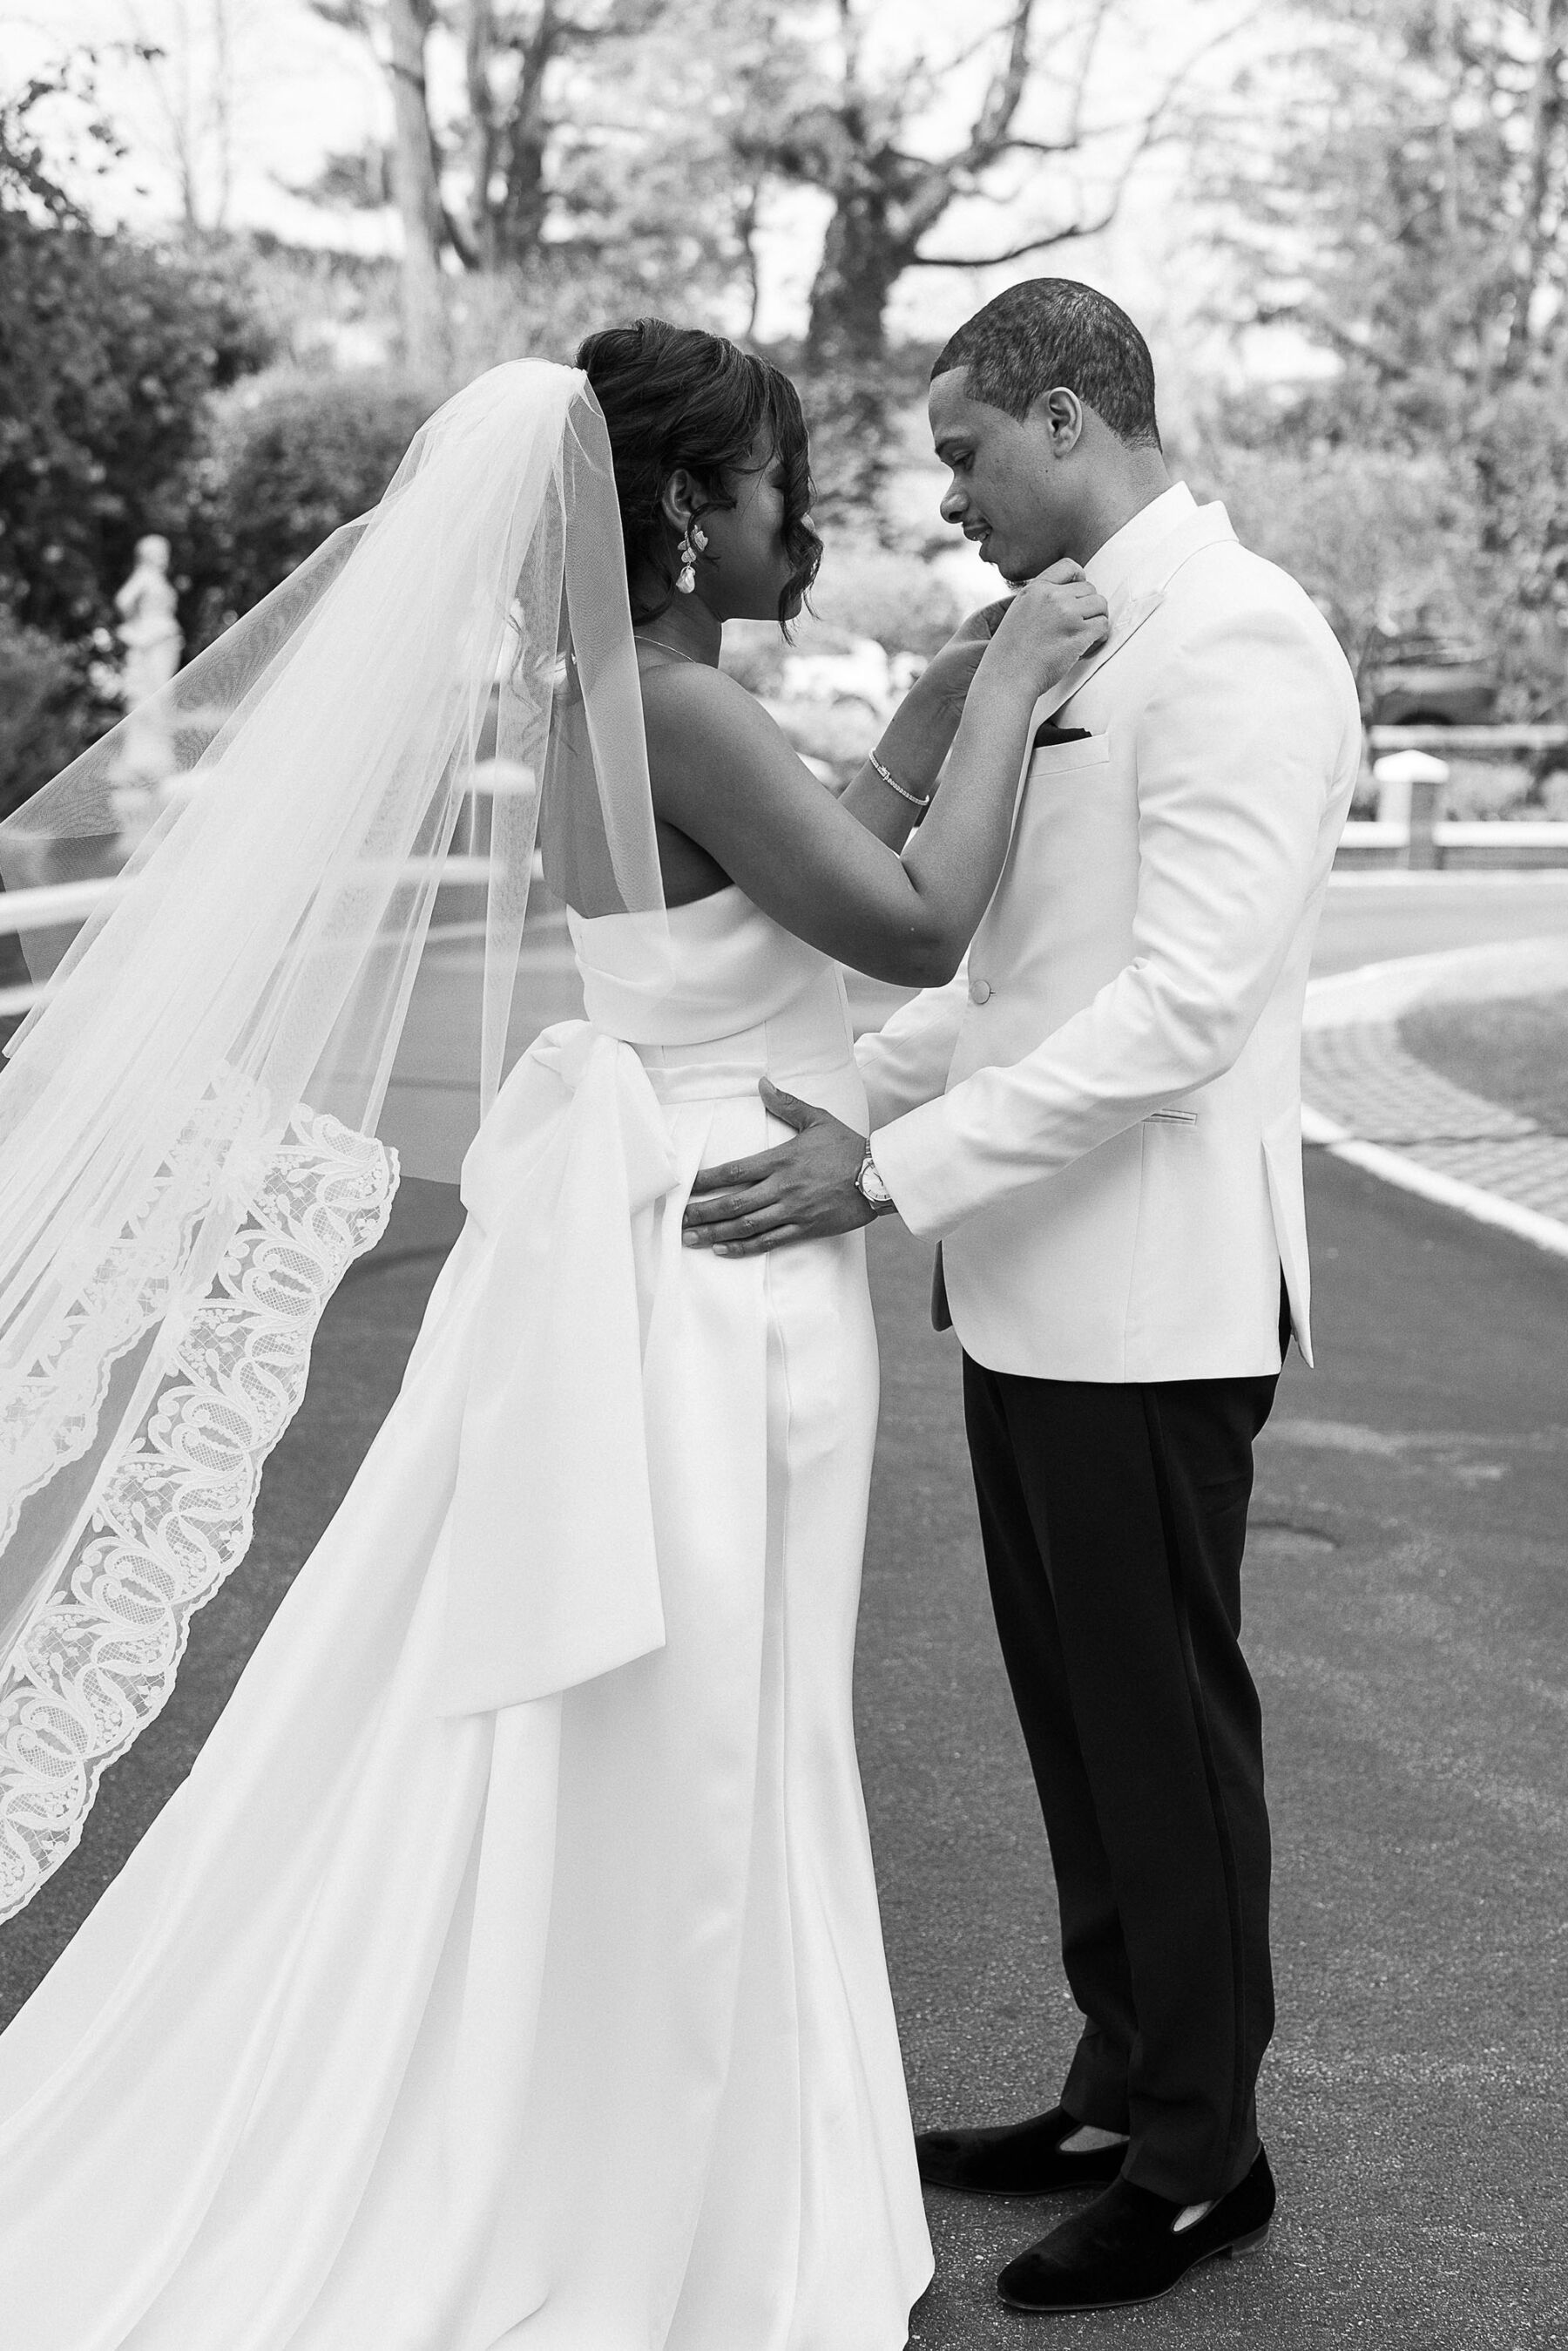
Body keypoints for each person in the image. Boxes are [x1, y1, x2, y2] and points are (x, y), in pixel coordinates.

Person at [0, 328, 1106, 2348]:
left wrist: (935, 703)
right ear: (692, 512)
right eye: (783, 485)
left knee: (685, 1714)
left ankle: (664, 2133)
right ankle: (672, 2192)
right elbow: (916, 921)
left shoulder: (622, 697)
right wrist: (1017, 686)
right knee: (713, 1727)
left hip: (652, 1218)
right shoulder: (679, 702)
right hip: (722, 1263)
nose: (815, 519)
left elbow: (772, 889)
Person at [681, 279, 1362, 2315]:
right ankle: (1114, 2080)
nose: (950, 494)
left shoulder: (1241, 640)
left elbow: (1175, 1013)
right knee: (1080, 1723)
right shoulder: (1058, 634)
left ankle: (1199, 2158)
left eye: (968, 450)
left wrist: (883, 1169)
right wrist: (843, 1096)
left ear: (1071, 421)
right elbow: (1018, 977)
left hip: (1152, 1294)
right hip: (1033, 1277)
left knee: (1164, 1732)